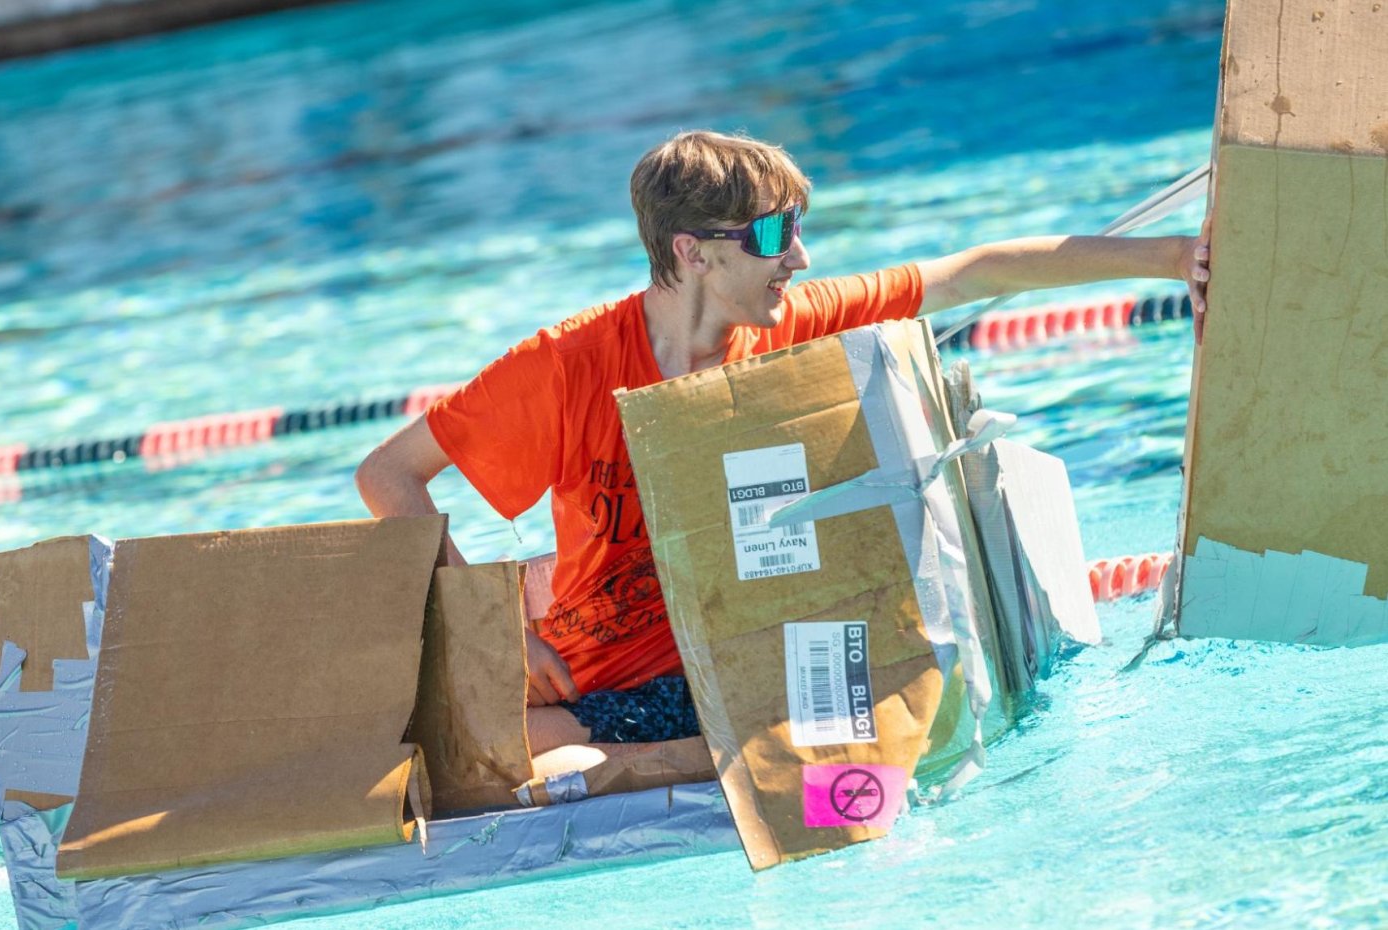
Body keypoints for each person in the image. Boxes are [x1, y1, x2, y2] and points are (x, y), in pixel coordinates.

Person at [357, 130, 1210, 755]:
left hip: (755, 657)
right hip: (618, 680)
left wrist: (1178, 255)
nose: (797, 257)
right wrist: (498, 633)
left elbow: (975, 270)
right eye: (771, 236)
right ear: (691, 252)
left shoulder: (789, 324)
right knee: (502, 751)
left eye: (796, 227)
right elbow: (387, 475)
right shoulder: (565, 368)